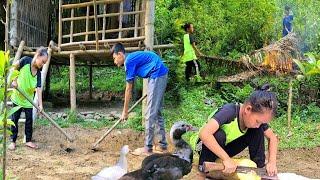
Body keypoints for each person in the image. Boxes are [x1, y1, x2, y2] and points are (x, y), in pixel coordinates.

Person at [197, 84, 279, 177]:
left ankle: (260, 171)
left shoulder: (257, 122)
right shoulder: (228, 111)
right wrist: (226, 159)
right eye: (257, 121)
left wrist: (272, 162)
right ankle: (205, 172)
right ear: (248, 109)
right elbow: (204, 133)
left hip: (225, 148)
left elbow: (272, 137)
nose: (258, 125)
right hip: (206, 147)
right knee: (218, 135)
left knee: (258, 131)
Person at [112, 43, 168, 155]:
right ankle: (162, 145)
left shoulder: (128, 61)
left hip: (157, 74)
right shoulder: (131, 59)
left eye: (114, 58)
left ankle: (148, 148)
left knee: (150, 113)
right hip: (158, 74)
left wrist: (125, 111)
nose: (115, 62)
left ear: (120, 54)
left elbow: (128, 89)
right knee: (156, 112)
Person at [8, 47, 48, 150]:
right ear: (37, 55)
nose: (42, 65)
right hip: (17, 97)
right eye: (42, 62)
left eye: (44, 63)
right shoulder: (25, 60)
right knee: (14, 120)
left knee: (29, 121)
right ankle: (13, 141)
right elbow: (15, 67)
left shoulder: (38, 74)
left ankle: (28, 140)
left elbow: (38, 89)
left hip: (28, 101)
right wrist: (14, 80)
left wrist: (40, 105)